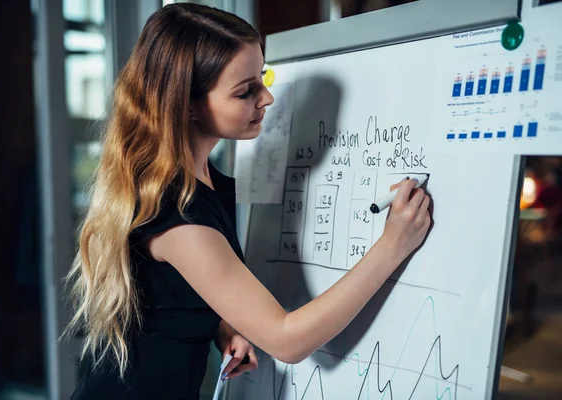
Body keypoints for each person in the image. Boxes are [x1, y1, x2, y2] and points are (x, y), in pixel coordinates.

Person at [64, 3, 432, 399]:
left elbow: (166, 300)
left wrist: (222, 323)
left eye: (262, 77)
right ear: (187, 105)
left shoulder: (195, 181)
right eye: (245, 91)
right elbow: (287, 341)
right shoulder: (180, 218)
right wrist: (392, 245)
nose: (268, 98)